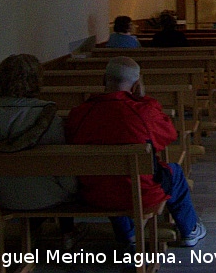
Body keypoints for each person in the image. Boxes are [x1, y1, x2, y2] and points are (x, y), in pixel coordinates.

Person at [65, 56, 206, 248]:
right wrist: (144, 99)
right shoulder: (143, 111)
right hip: (142, 192)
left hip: (94, 193)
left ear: (103, 81)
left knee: (109, 178)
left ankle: (128, 234)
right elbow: (170, 135)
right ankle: (189, 230)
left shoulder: (79, 113)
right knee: (174, 173)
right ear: (136, 85)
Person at [0, 54, 84, 249]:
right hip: (45, 195)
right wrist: (73, 189)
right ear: (35, 80)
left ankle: (32, 232)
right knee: (67, 183)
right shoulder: (45, 115)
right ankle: (67, 233)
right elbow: (60, 163)